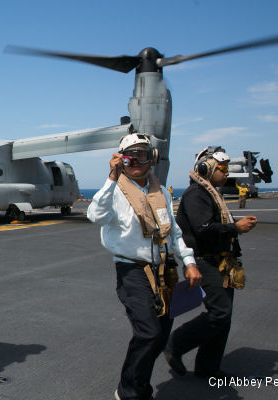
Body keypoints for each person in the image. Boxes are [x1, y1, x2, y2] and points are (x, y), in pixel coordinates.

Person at [87, 133, 201, 400]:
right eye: (130, 155)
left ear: (153, 158)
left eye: (143, 154)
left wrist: (189, 262)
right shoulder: (113, 189)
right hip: (132, 271)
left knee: (160, 336)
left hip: (164, 270)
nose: (137, 160)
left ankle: (140, 389)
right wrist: (112, 177)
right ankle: (127, 393)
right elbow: (95, 216)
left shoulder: (160, 191)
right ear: (120, 159)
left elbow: (174, 232)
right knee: (149, 333)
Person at [164, 147, 257, 379]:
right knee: (219, 314)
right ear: (207, 169)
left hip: (221, 261)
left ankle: (208, 368)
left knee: (223, 319)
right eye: (223, 169)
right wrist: (236, 227)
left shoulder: (211, 193)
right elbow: (203, 229)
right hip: (204, 260)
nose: (226, 173)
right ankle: (176, 343)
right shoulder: (197, 193)